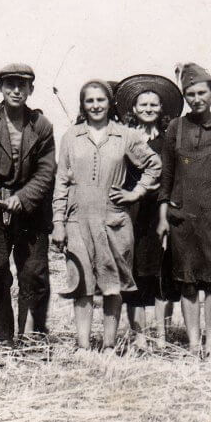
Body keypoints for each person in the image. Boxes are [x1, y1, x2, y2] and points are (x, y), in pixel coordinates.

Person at [52, 80, 161, 353]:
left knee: (113, 285)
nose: (95, 105)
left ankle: (110, 345)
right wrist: (58, 222)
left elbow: (153, 164)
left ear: (110, 103)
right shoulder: (71, 136)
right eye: (89, 101)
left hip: (114, 219)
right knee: (82, 284)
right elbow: (61, 182)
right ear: (83, 105)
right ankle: (83, 345)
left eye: (100, 100)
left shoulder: (124, 135)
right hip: (77, 219)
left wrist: (136, 193)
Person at [0, 63, 56, 349]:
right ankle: (3, 339)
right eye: (10, 85)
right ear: (1, 89)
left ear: (31, 89)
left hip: (32, 212)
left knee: (34, 275)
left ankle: (33, 337)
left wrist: (24, 198)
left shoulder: (41, 125)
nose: (16, 90)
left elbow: (45, 171)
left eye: (22, 85)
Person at [157, 63, 211, 359]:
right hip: (182, 215)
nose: (196, 98)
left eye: (201, 92)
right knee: (188, 282)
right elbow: (167, 173)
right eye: (189, 93)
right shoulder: (175, 128)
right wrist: (163, 213)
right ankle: (194, 344)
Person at [114, 74, 184, 347]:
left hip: (159, 211)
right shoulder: (123, 138)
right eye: (143, 104)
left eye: (154, 104)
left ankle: (162, 336)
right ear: (133, 108)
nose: (148, 109)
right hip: (130, 211)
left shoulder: (168, 139)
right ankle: (139, 336)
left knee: (159, 273)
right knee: (133, 273)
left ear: (162, 108)